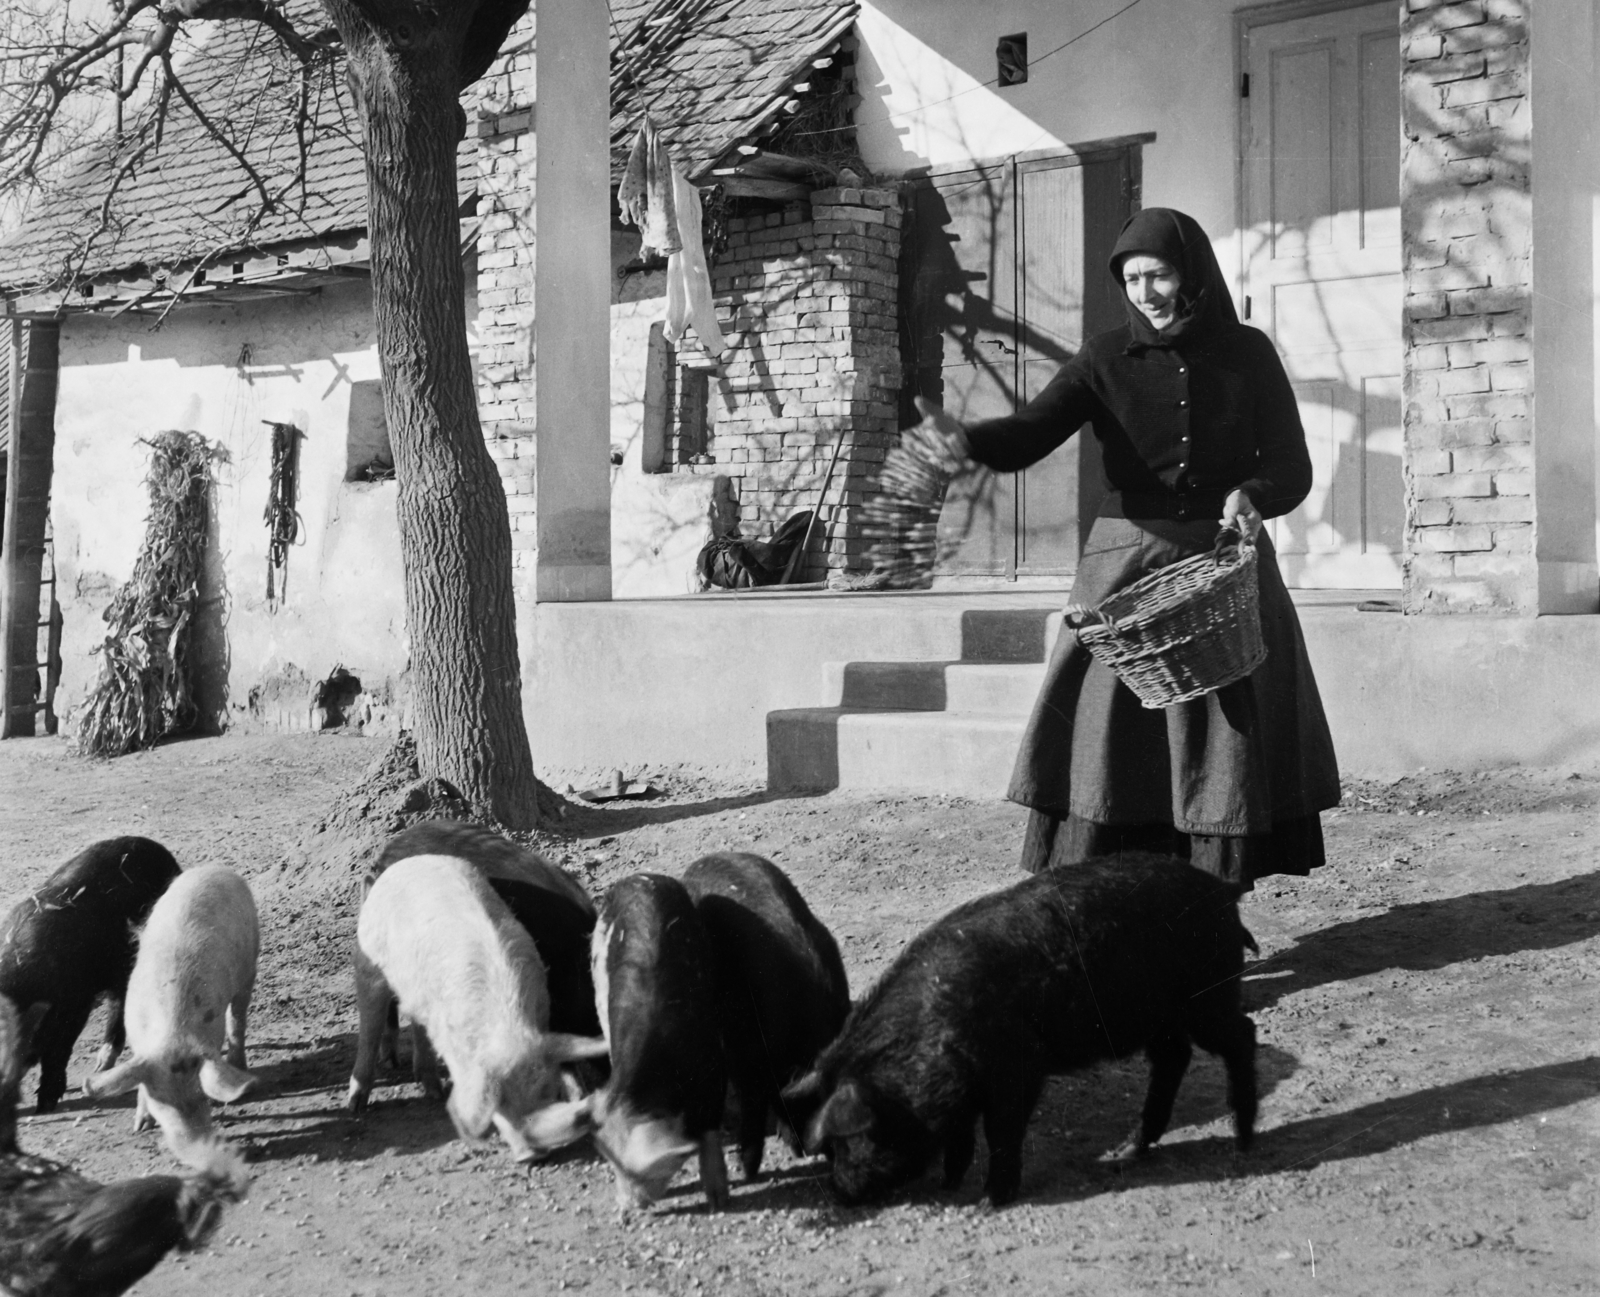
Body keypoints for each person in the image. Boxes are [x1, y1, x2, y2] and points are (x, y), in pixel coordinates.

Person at [906, 207, 1340, 890]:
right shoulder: (1104, 357)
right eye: (1132, 278)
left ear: (1190, 273)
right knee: (1112, 740)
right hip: (1125, 568)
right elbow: (1031, 431)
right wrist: (966, 439)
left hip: (1222, 565)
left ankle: (1213, 908)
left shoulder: (1247, 353)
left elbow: (1292, 465)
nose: (1145, 292)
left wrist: (1253, 493)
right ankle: (1120, 906)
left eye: (1159, 274)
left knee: (1222, 740)